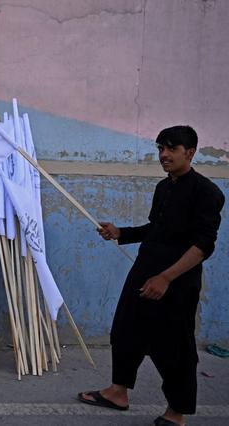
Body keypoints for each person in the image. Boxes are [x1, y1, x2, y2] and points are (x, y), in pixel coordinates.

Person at [78, 126, 225, 426]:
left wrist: (166, 278)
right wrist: (121, 233)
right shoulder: (164, 187)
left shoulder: (207, 193)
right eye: (160, 148)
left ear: (191, 152)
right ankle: (118, 392)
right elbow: (154, 230)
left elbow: (202, 246)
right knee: (125, 332)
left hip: (177, 282)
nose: (164, 155)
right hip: (144, 271)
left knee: (175, 347)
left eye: (171, 149)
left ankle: (177, 413)